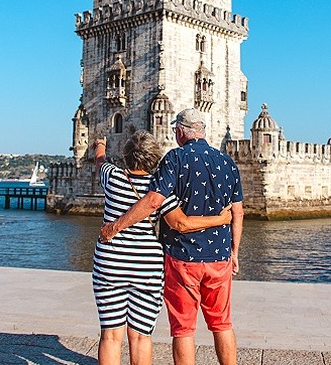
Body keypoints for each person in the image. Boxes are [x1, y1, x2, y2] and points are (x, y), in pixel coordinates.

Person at [101, 108, 244, 365]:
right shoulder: (227, 162)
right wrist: (234, 252)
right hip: (219, 257)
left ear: (180, 131)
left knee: (183, 328)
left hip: (182, 257)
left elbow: (154, 201)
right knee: (222, 323)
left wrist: (114, 227)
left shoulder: (174, 159)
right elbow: (238, 212)